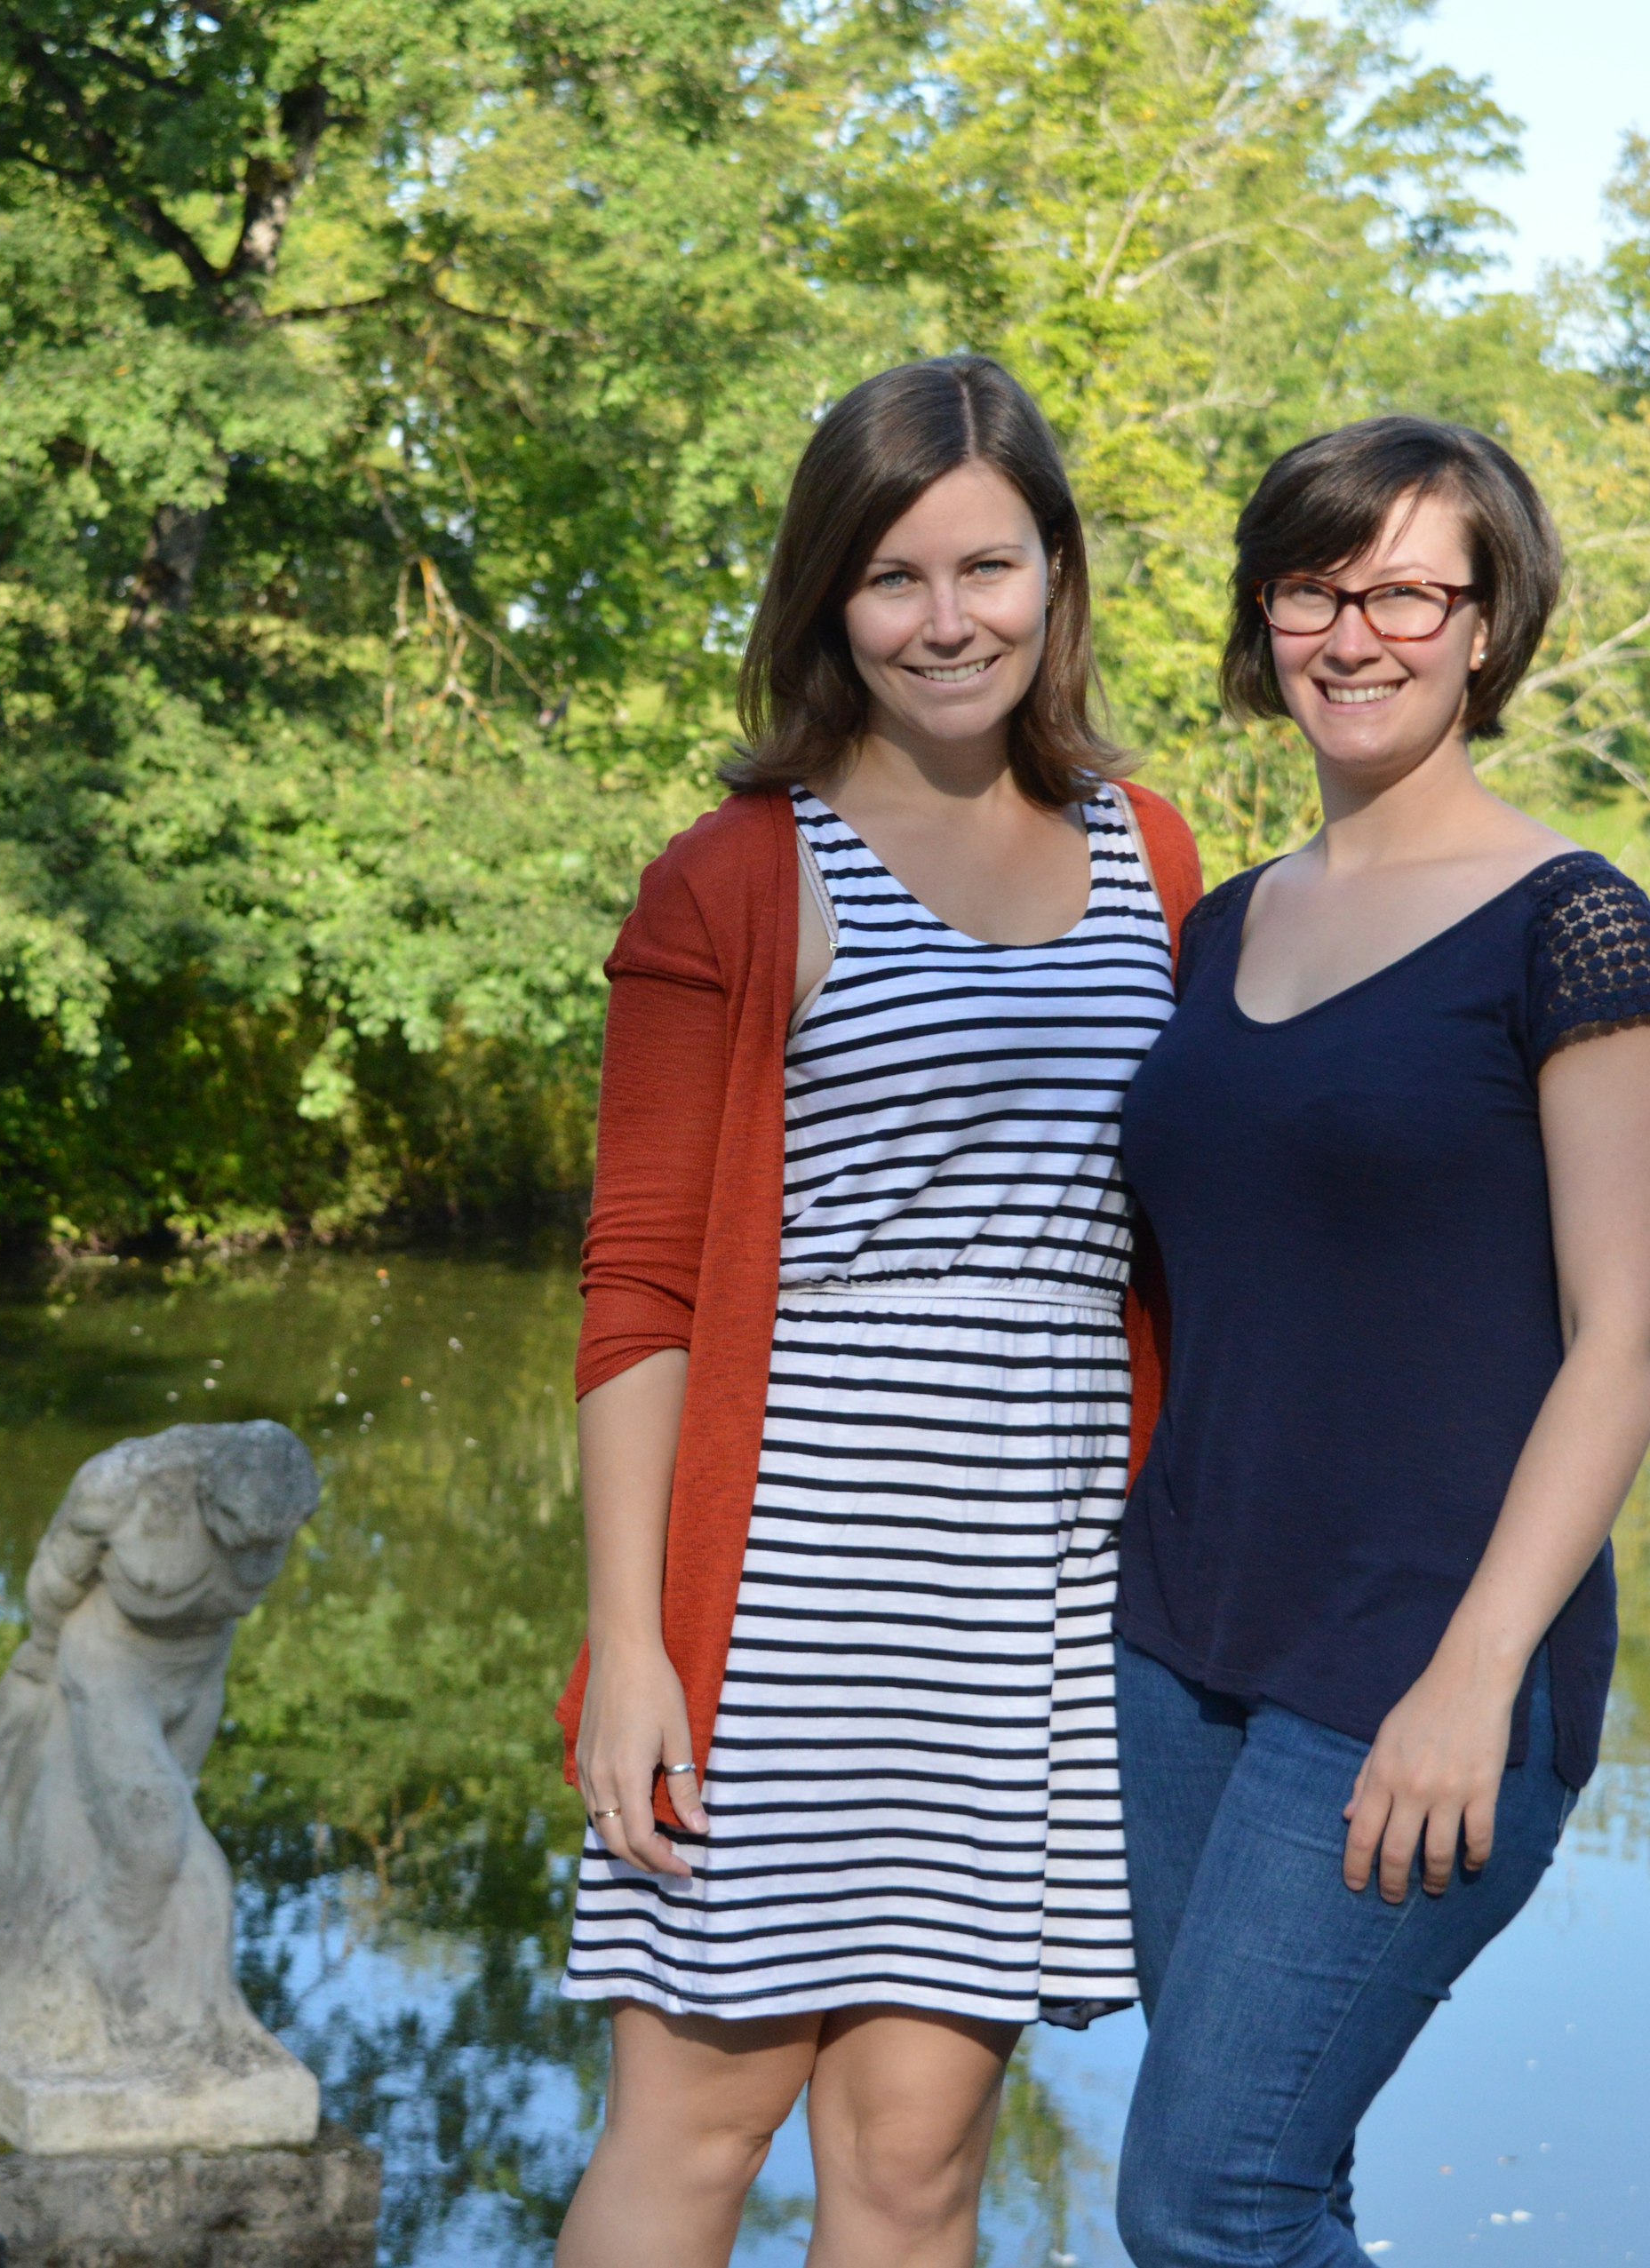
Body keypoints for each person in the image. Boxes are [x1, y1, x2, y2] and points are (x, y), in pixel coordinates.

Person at [552, 354, 1205, 2267]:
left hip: (1029, 1599)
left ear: (1058, 577)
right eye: (894, 576)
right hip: (785, 1596)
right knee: (691, 2134)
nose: (948, 620)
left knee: (919, 2168)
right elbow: (639, 1291)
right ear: (828, 597)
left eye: (989, 568)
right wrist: (633, 1646)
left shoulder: (1145, 854)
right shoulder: (741, 877)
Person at [1109, 416, 1650, 2268]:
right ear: (1265, 612)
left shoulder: (1573, 931)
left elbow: (1631, 1334)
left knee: (1207, 2200)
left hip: (1422, 1666)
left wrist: (1473, 1670)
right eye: (1315, 585)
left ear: (1486, 624)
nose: (1355, 633)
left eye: (1408, 591)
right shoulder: (1215, 929)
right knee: (1292, 2170)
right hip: (1184, 1649)